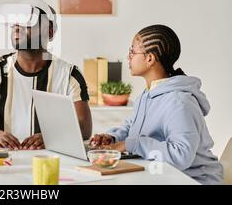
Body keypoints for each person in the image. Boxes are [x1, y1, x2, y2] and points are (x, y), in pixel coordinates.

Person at [90, 24, 223, 184]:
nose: (128, 57)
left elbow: (181, 155)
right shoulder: (148, 94)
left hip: (194, 180)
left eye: (132, 51)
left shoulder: (179, 102)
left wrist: (131, 144)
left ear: (150, 59)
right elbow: (132, 127)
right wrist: (112, 138)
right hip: (163, 175)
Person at [0, 0, 92, 150]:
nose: (17, 28)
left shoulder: (69, 75)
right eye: (15, 23)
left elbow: (85, 129)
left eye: (27, 22)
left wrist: (52, 136)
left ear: (49, 31)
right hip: (8, 164)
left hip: (53, 162)